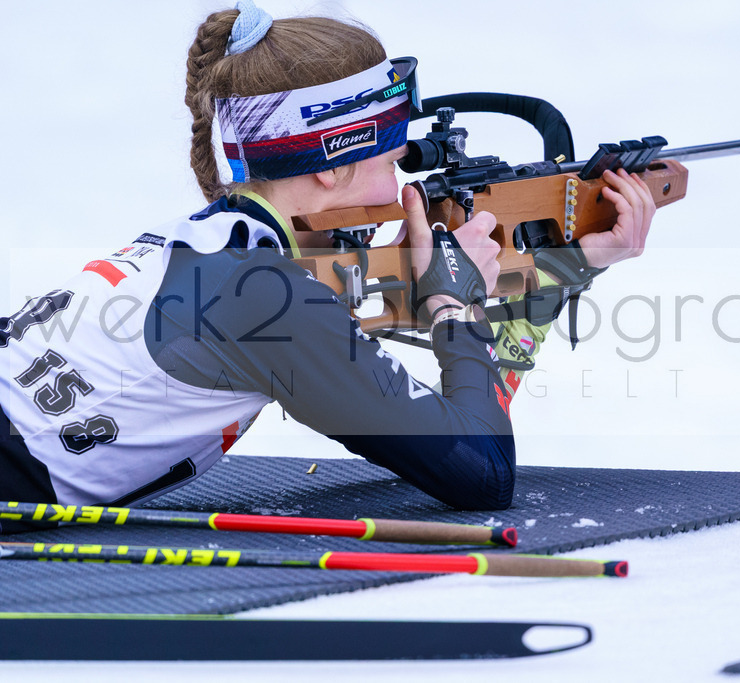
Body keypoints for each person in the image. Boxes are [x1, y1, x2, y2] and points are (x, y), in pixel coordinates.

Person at [0, 1, 655, 533]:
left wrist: (559, 272)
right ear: (334, 163)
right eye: (391, 153)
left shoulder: (222, 248)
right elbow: (480, 472)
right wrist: (458, 309)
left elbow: (471, 423)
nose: (404, 177)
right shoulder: (271, 298)